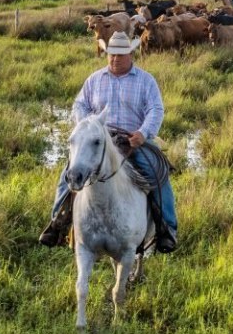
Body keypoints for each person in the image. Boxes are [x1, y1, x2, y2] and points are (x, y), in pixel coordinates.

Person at [39, 32, 177, 253]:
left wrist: (142, 133)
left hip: (132, 141)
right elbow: (79, 104)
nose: (115, 59)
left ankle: (167, 229)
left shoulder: (145, 80)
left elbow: (155, 109)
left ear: (131, 54)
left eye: (121, 55)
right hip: (99, 141)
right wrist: (88, 125)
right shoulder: (95, 79)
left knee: (158, 175)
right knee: (70, 173)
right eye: (112, 54)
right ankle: (58, 223)